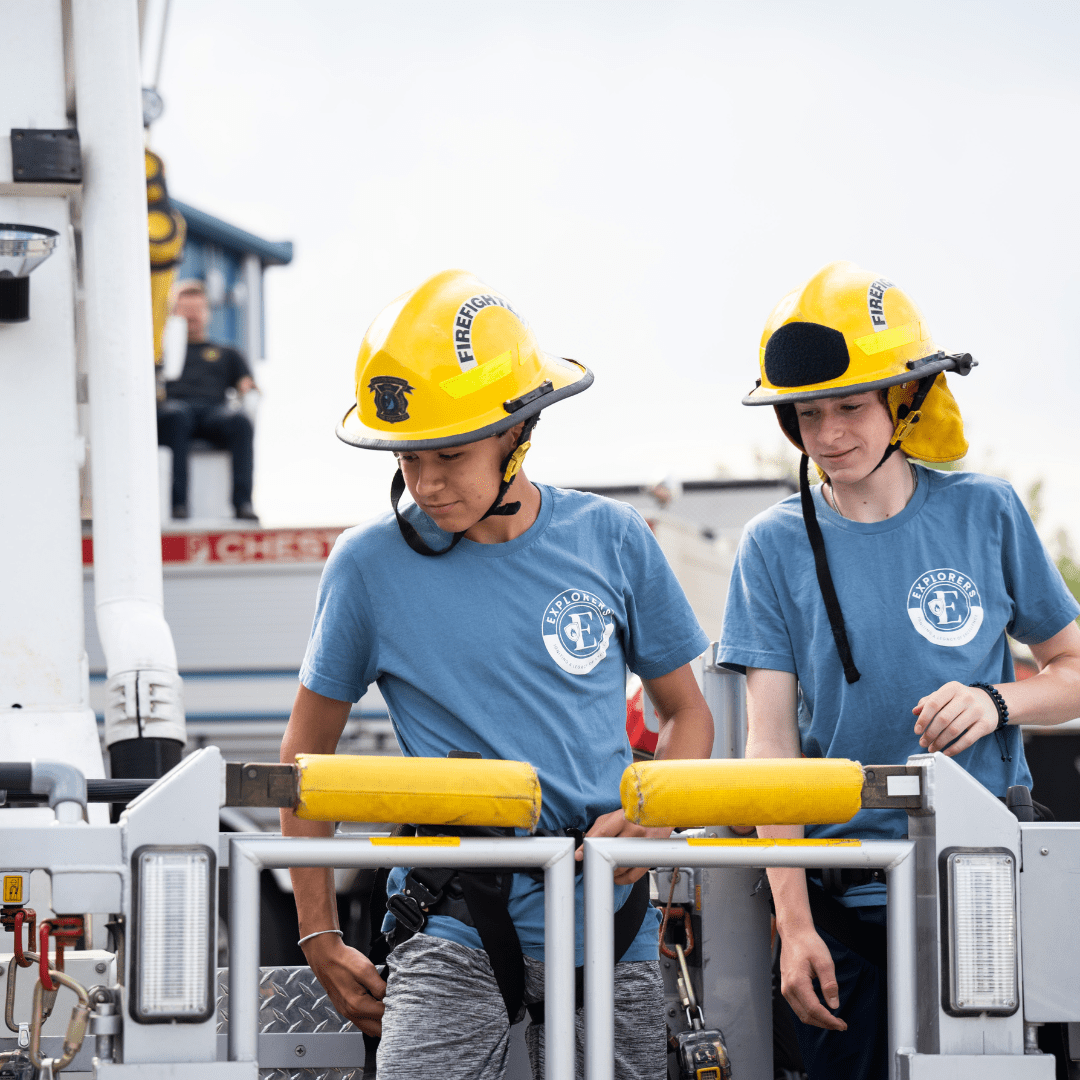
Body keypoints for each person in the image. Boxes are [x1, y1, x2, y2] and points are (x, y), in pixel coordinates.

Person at [279, 269, 715, 1080]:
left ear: (519, 431)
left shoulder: (614, 540)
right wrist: (318, 934)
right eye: (407, 456)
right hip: (451, 915)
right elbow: (302, 764)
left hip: (605, 916)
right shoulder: (366, 567)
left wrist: (651, 820)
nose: (426, 482)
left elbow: (687, 713)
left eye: (450, 453)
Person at [717, 261, 1080, 1080]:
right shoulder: (771, 547)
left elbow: (1072, 668)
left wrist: (997, 700)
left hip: (982, 884)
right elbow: (768, 749)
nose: (829, 434)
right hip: (840, 896)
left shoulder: (985, 510)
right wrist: (794, 921)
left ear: (906, 401)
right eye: (807, 415)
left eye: (850, 406)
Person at [156, 279, 259, 521]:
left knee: (240, 422)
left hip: (213, 412)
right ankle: (177, 505)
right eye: (185, 311)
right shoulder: (160, 353)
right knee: (177, 416)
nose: (192, 317)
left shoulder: (228, 354)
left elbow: (247, 385)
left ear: (207, 313)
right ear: (174, 313)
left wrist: (248, 390)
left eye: (197, 310)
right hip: (175, 411)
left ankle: (242, 503)